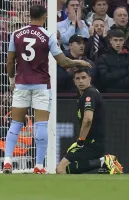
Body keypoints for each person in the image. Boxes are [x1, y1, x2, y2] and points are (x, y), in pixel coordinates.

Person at [3, 4, 91, 174]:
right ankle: (39, 165)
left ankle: (7, 161)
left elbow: (9, 61)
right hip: (41, 85)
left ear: (29, 16)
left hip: (21, 83)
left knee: (15, 123)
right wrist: (79, 62)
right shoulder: (47, 35)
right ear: (44, 16)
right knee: (41, 123)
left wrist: (12, 79)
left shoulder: (16, 34)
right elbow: (63, 62)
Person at [56, 67, 123, 174]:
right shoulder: (86, 94)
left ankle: (104, 161)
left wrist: (80, 141)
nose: (81, 81)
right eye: (78, 78)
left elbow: (88, 119)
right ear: (74, 81)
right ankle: (103, 162)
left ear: (90, 79)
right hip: (95, 143)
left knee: (60, 169)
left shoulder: (89, 94)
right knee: (69, 169)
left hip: (91, 144)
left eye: (83, 77)